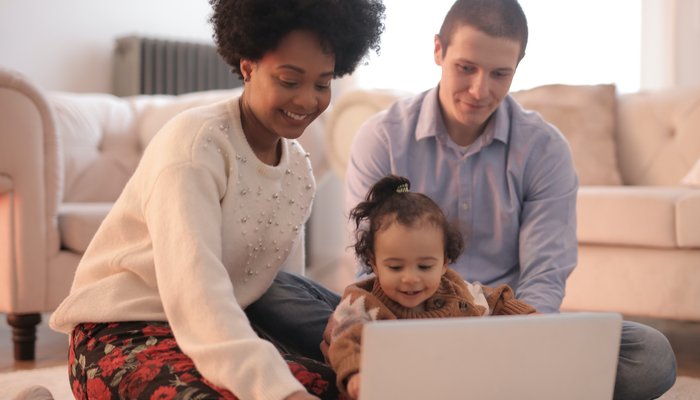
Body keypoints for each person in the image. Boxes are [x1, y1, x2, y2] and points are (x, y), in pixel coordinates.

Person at [48, 0, 385, 399]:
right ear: (248, 65)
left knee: (355, 386)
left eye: (322, 84)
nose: (307, 101)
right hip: (123, 331)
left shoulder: (299, 171)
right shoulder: (196, 145)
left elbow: (275, 289)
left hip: (219, 329)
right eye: (289, 81)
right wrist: (280, 390)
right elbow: (197, 294)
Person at [343, 1, 677, 399]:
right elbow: (367, 262)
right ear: (438, 51)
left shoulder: (544, 148)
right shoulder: (382, 138)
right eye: (466, 68)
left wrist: (519, 342)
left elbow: (545, 273)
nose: (480, 90)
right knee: (298, 301)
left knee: (651, 356)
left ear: (518, 65)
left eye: (500, 73)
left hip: (503, 321)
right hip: (402, 317)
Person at [322, 175, 536, 398]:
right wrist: (356, 373)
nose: (410, 278)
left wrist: (529, 317)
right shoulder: (360, 302)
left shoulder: (455, 290)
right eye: (395, 267)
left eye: (424, 267)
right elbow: (345, 340)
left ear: (444, 262)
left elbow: (495, 299)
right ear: (373, 262)